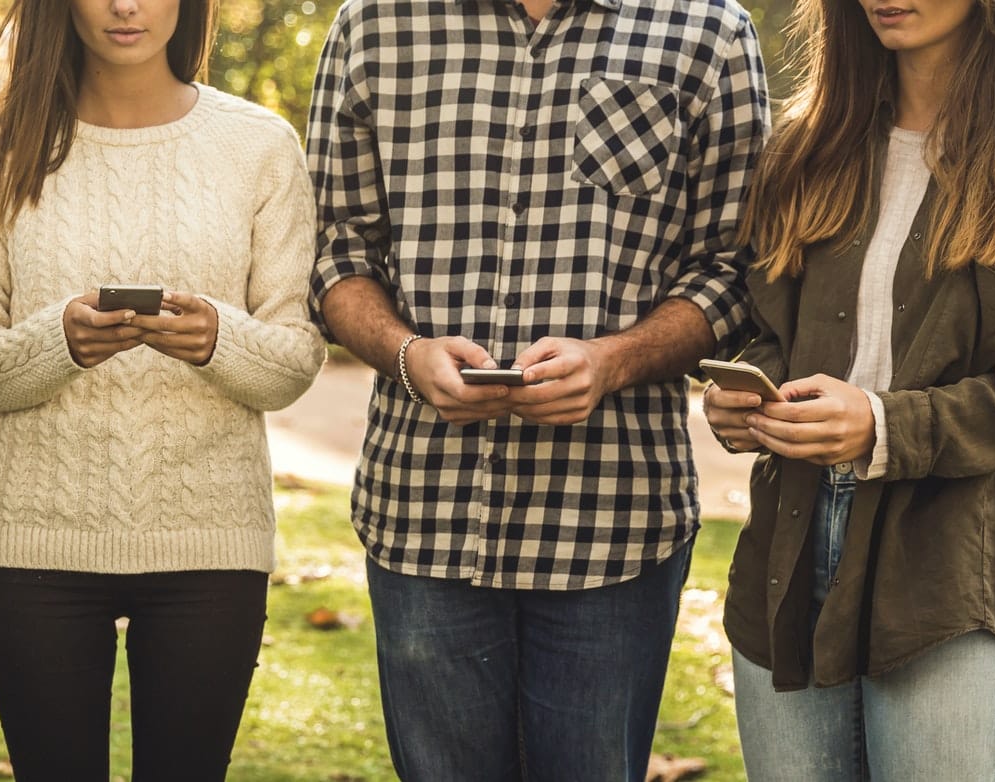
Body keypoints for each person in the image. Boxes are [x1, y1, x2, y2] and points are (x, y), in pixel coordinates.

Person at [305, 0, 769, 778]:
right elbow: (337, 251)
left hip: (614, 519)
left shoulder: (706, 31)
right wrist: (406, 353)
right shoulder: (374, 25)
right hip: (424, 509)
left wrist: (613, 360)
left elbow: (735, 266)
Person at [705, 0, 995, 776]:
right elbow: (770, 322)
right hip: (787, 561)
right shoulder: (810, 139)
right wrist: (749, 400)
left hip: (955, 569)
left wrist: (885, 425)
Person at [0, 0, 325, 777]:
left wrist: (217, 337)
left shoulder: (259, 146)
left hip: (211, 542)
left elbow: (292, 362)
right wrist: (63, 341)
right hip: (36, 539)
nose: (125, 5)